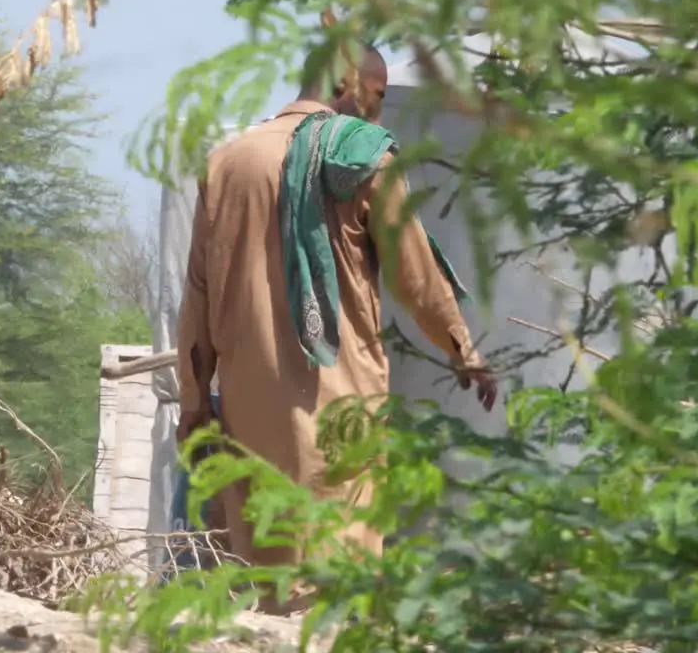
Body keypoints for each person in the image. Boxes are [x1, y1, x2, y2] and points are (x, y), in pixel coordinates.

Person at [175, 43, 497, 613]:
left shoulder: (225, 164)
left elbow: (196, 304)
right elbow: (413, 270)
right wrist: (461, 347)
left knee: (266, 576)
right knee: (337, 575)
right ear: (347, 83)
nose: (375, 116)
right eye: (375, 97)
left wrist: (196, 411)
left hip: (249, 406)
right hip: (336, 399)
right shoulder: (360, 154)